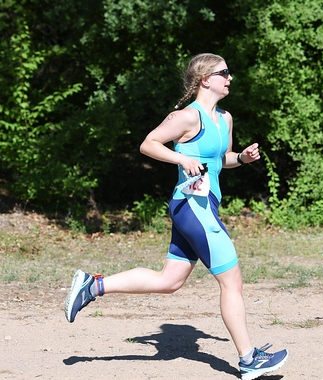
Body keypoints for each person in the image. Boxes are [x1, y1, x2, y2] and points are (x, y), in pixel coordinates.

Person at [64, 53, 288, 380]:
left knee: (169, 281)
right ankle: (248, 359)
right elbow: (149, 144)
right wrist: (180, 161)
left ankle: (93, 285)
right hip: (191, 207)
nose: (230, 77)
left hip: (202, 207)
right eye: (224, 72)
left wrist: (241, 157)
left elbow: (219, 158)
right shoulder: (187, 117)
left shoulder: (224, 119)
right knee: (233, 282)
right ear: (205, 79)